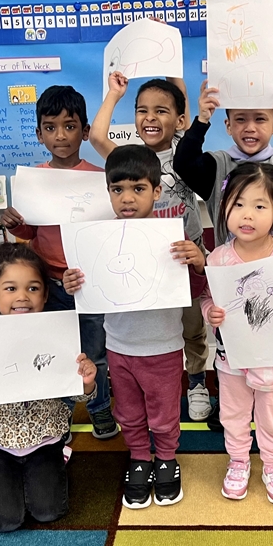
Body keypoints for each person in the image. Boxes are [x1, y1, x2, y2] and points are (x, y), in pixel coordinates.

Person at [173, 81, 273, 438]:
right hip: (231, 273)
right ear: (227, 125)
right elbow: (183, 162)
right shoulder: (217, 164)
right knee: (230, 339)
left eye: (260, 119)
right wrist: (201, 121)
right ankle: (230, 400)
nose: (250, 128)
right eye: (240, 120)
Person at [63, 145, 207, 509]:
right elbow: (91, 292)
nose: (127, 198)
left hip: (164, 346)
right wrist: (74, 283)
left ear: (157, 192)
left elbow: (195, 291)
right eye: (117, 189)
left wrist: (198, 263)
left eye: (138, 188)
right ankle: (140, 457)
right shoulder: (98, 239)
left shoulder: (172, 240)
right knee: (128, 411)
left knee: (164, 410)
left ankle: (166, 459)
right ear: (108, 192)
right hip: (120, 347)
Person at [0, 242, 97, 532]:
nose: (22, 297)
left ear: (44, 294)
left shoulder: (56, 335)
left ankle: (55, 462)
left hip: (46, 440)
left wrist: (88, 381)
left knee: (49, 511)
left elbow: (77, 394)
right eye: (10, 288)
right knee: (3, 521)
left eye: (32, 288)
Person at [90, 72, 212, 422]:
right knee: (153, 329)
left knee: (192, 326)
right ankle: (150, 382)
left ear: (179, 120)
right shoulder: (129, 159)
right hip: (143, 264)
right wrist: (114, 94)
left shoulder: (186, 155)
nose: (150, 118)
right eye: (142, 110)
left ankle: (198, 381)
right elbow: (97, 136)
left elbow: (184, 107)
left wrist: (172, 61)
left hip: (183, 259)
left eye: (161, 111)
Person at [0, 85, 116, 441]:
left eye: (69, 126)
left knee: (95, 353)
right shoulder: (34, 179)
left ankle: (99, 409)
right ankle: (59, 415)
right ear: (39, 134)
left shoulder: (101, 178)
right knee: (56, 352)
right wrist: (13, 221)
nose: (60, 135)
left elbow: (113, 230)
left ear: (84, 131)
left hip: (90, 283)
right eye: (50, 127)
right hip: (49, 284)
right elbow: (29, 230)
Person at [201, 163, 273, 504]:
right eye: (238, 204)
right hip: (232, 358)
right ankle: (238, 460)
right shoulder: (219, 259)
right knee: (233, 413)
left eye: (259, 206)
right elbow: (208, 300)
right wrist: (211, 312)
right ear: (224, 208)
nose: (246, 214)